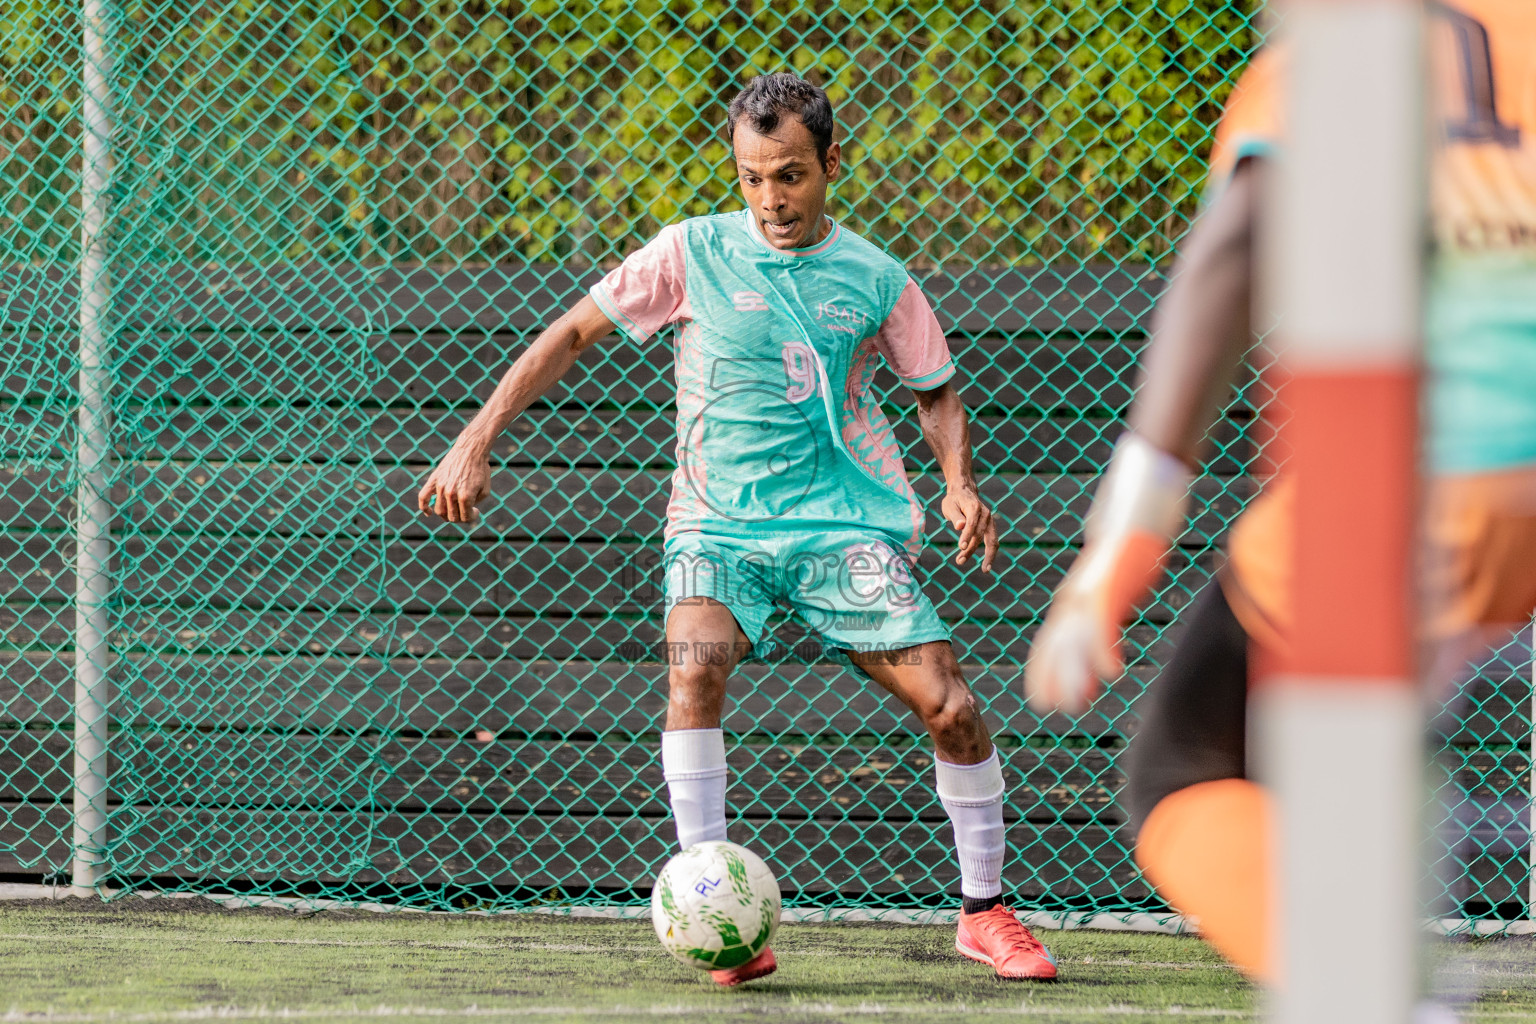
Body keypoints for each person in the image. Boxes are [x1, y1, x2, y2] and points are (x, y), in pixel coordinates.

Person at [417, 72, 1058, 985]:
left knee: (950, 707)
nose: (772, 199)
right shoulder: (688, 253)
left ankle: (986, 913)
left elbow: (936, 388)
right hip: (717, 529)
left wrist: (958, 481)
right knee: (694, 668)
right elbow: (568, 334)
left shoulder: (877, 277)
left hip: (843, 533)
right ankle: (718, 910)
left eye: (791, 174)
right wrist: (474, 440)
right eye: (753, 177)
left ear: (831, 162)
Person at [1024, 0, 1536, 985]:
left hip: (1438, 475)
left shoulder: (1353, 45)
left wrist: (1124, 542)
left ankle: (1379, 990)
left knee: (1185, 769)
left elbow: (1237, 248)